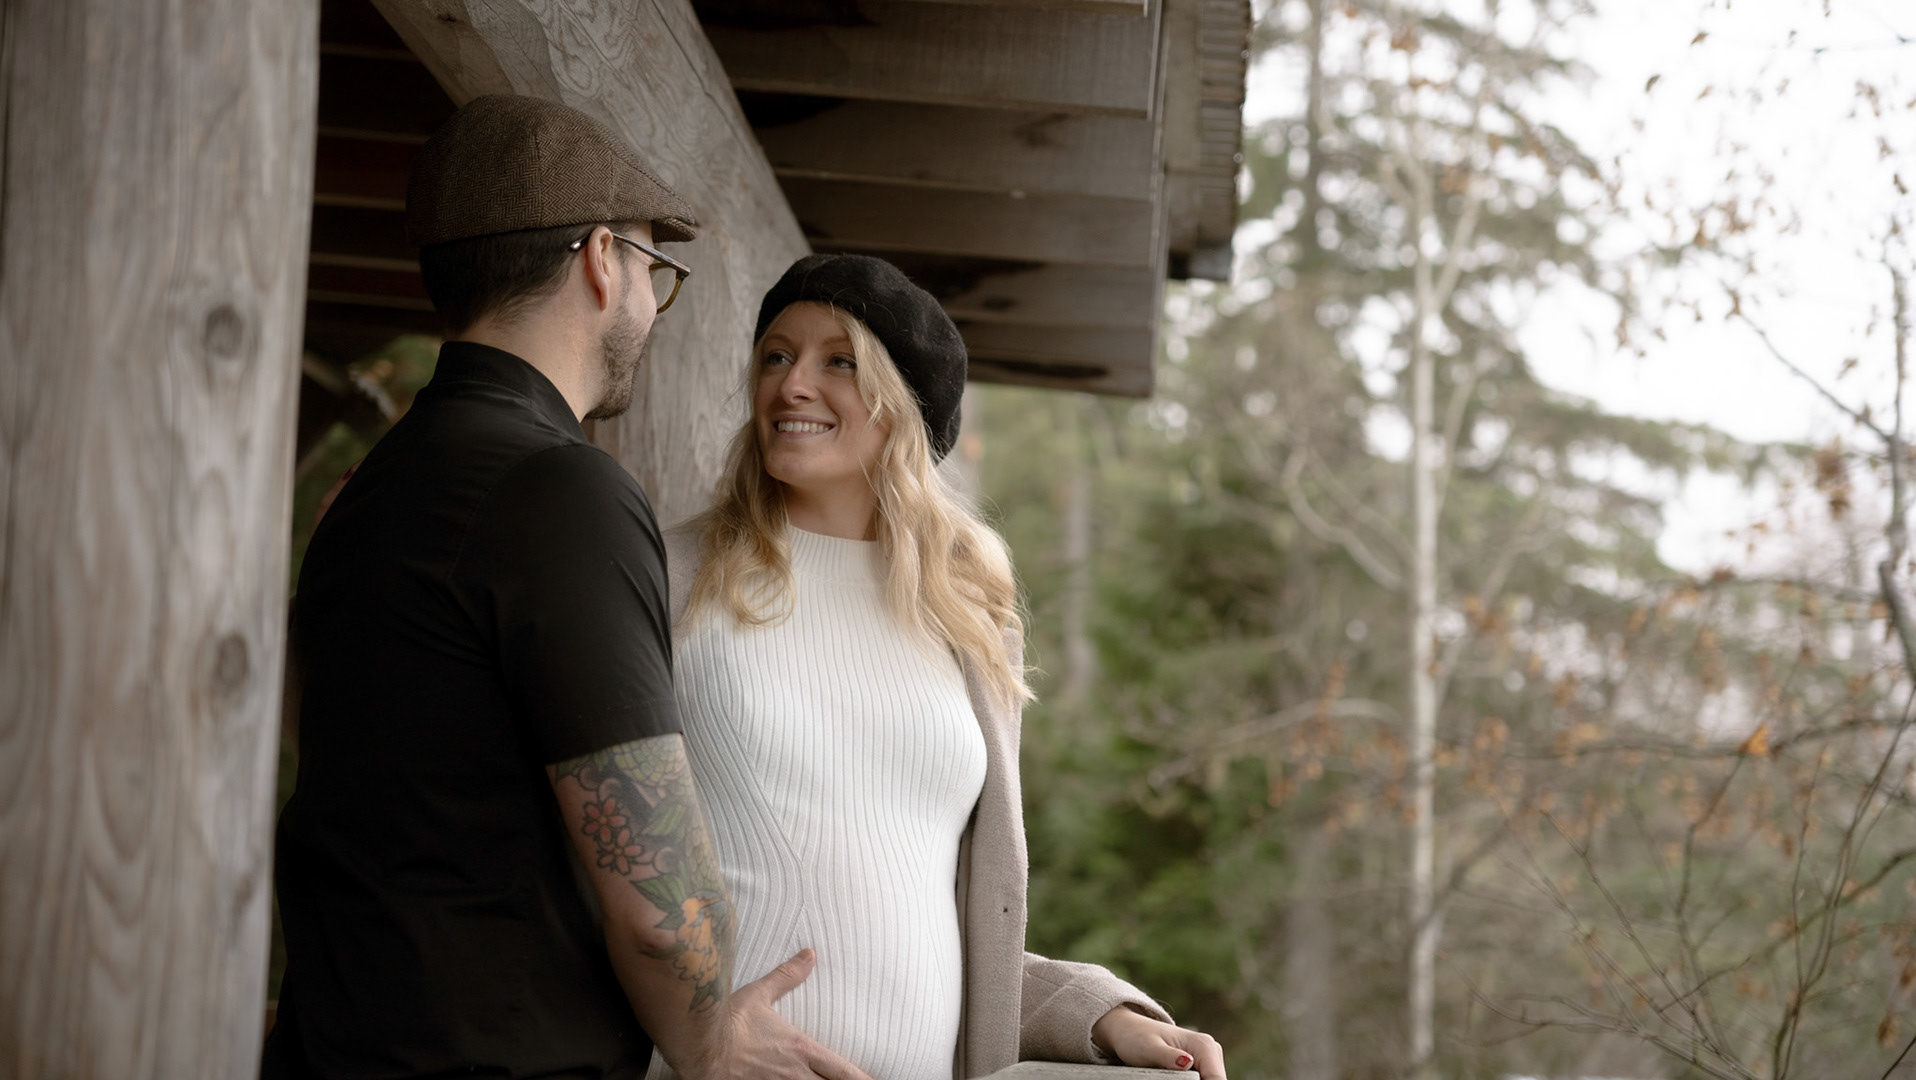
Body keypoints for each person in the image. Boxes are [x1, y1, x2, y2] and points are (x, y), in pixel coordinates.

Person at [264, 96, 869, 1080]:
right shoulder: (559, 488)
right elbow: (655, 887)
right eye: (652, 270)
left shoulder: (369, 488)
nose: (649, 302)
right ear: (599, 259)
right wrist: (710, 1040)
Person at [661, 254, 1229, 1080]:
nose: (792, 385)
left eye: (839, 362)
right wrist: (694, 1033)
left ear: (903, 406)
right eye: (776, 356)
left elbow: (941, 927)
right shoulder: (669, 577)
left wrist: (1100, 1014)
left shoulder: (967, 619)